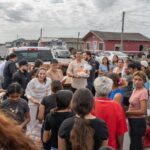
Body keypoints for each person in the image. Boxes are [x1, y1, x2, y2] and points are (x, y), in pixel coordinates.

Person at [93, 76, 127, 150]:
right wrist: (120, 147)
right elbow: (120, 132)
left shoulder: (90, 105)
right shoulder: (116, 106)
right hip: (111, 146)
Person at [25, 67, 51, 140]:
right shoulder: (33, 81)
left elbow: (49, 91)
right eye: (40, 74)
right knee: (32, 119)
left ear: (46, 74)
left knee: (42, 118)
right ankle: (29, 133)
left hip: (43, 101)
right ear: (37, 74)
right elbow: (27, 92)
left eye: (44, 74)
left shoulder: (48, 80)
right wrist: (33, 100)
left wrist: (46, 100)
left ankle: (40, 134)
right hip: (33, 100)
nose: (42, 75)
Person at [126, 71, 148, 150]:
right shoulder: (135, 89)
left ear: (144, 81)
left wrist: (128, 113)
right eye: (135, 79)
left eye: (140, 79)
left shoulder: (143, 92)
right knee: (134, 142)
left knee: (136, 144)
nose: (137, 82)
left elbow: (143, 111)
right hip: (132, 119)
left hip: (138, 121)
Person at [38, 80, 63, 150]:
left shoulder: (45, 99)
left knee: (46, 145)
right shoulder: (64, 99)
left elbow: (40, 117)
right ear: (62, 87)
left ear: (51, 88)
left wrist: (41, 121)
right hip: (61, 125)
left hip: (48, 126)